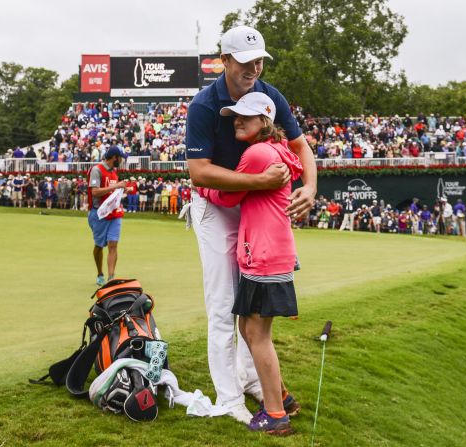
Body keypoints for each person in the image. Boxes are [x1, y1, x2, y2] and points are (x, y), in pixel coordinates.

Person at [185, 25, 316, 426]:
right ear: (224, 61)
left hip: (248, 207)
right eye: (244, 62)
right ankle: (229, 397)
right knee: (224, 307)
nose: (253, 68)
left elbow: (300, 146)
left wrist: (310, 187)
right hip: (215, 206)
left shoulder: (268, 94)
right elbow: (200, 173)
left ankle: (249, 381)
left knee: (248, 306)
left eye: (258, 60)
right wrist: (259, 182)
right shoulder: (205, 105)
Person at [196, 92, 301, 435]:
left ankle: (275, 414)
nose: (236, 121)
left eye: (245, 116)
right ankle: (280, 399)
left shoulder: (257, 153)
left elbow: (228, 194)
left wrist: (202, 189)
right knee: (251, 330)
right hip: (272, 252)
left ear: (265, 121)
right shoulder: (276, 150)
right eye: (235, 115)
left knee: (256, 333)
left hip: (264, 255)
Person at [87, 146, 127, 286]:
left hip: (114, 213)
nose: (121, 160)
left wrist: (121, 189)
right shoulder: (97, 170)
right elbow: (95, 192)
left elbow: (112, 193)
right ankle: (100, 273)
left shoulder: (114, 173)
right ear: (114, 157)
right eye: (120, 158)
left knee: (113, 245)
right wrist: (115, 187)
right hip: (98, 214)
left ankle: (111, 278)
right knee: (99, 245)